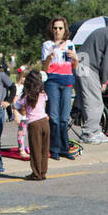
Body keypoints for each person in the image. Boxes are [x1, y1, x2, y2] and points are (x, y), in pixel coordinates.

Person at [77, 20, 108, 144]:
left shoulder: (105, 31)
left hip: (81, 63)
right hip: (88, 67)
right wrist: (104, 81)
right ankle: (90, 132)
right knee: (95, 101)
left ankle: (95, 130)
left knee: (87, 100)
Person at [41, 16, 78, 160]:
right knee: (54, 117)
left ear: (65, 30)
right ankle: (54, 148)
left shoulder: (69, 44)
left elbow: (75, 66)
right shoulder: (47, 45)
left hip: (67, 81)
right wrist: (49, 57)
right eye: (55, 28)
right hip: (52, 81)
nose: (57, 31)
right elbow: (44, 68)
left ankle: (64, 148)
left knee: (64, 118)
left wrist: (75, 57)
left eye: (60, 28)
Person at [16, 69, 49, 181]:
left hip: (34, 123)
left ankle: (36, 173)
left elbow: (19, 107)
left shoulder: (26, 97)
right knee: (44, 149)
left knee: (35, 149)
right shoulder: (43, 94)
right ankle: (43, 171)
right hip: (44, 121)